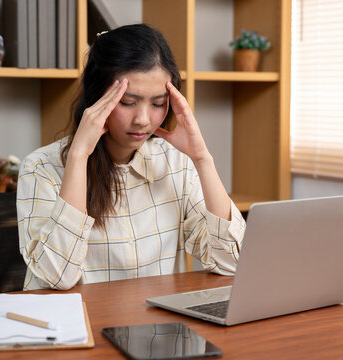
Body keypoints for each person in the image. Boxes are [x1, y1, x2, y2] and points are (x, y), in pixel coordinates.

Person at [16, 24, 246, 290]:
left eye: (158, 104)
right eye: (127, 102)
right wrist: (78, 156)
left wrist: (202, 159)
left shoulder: (175, 164)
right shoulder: (41, 168)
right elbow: (56, 278)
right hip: (77, 326)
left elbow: (231, 264)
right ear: (97, 97)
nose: (143, 120)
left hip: (154, 328)